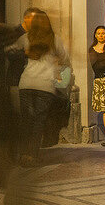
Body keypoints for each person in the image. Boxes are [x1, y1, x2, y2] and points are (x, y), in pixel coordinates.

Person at [17, 13, 70, 166]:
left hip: (26, 83)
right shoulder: (55, 39)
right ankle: (32, 155)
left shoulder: (26, 38)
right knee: (38, 122)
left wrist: (24, 54)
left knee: (26, 120)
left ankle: (22, 154)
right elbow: (65, 57)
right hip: (45, 85)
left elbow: (10, 50)